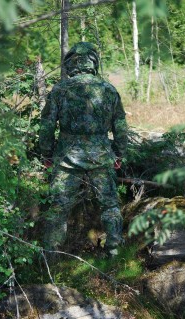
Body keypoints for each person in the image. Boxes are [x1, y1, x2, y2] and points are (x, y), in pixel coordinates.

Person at [38, 42, 128, 257]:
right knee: (109, 205)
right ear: (93, 62)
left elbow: (47, 124)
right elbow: (120, 126)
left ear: (71, 63)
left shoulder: (60, 89)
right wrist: (120, 153)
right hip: (101, 155)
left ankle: (50, 255)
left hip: (67, 157)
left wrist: (46, 154)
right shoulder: (108, 89)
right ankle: (114, 250)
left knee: (58, 206)